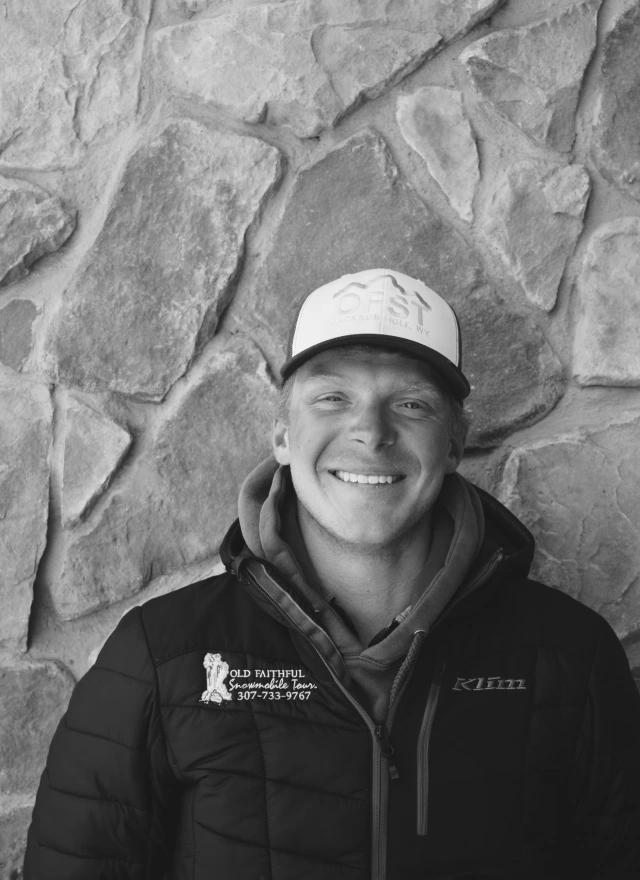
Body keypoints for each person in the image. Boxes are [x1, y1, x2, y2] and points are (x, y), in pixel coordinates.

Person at [24, 269, 640, 879]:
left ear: (454, 444)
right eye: (332, 398)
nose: (371, 432)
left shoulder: (572, 658)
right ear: (283, 437)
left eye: (411, 403)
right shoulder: (161, 657)